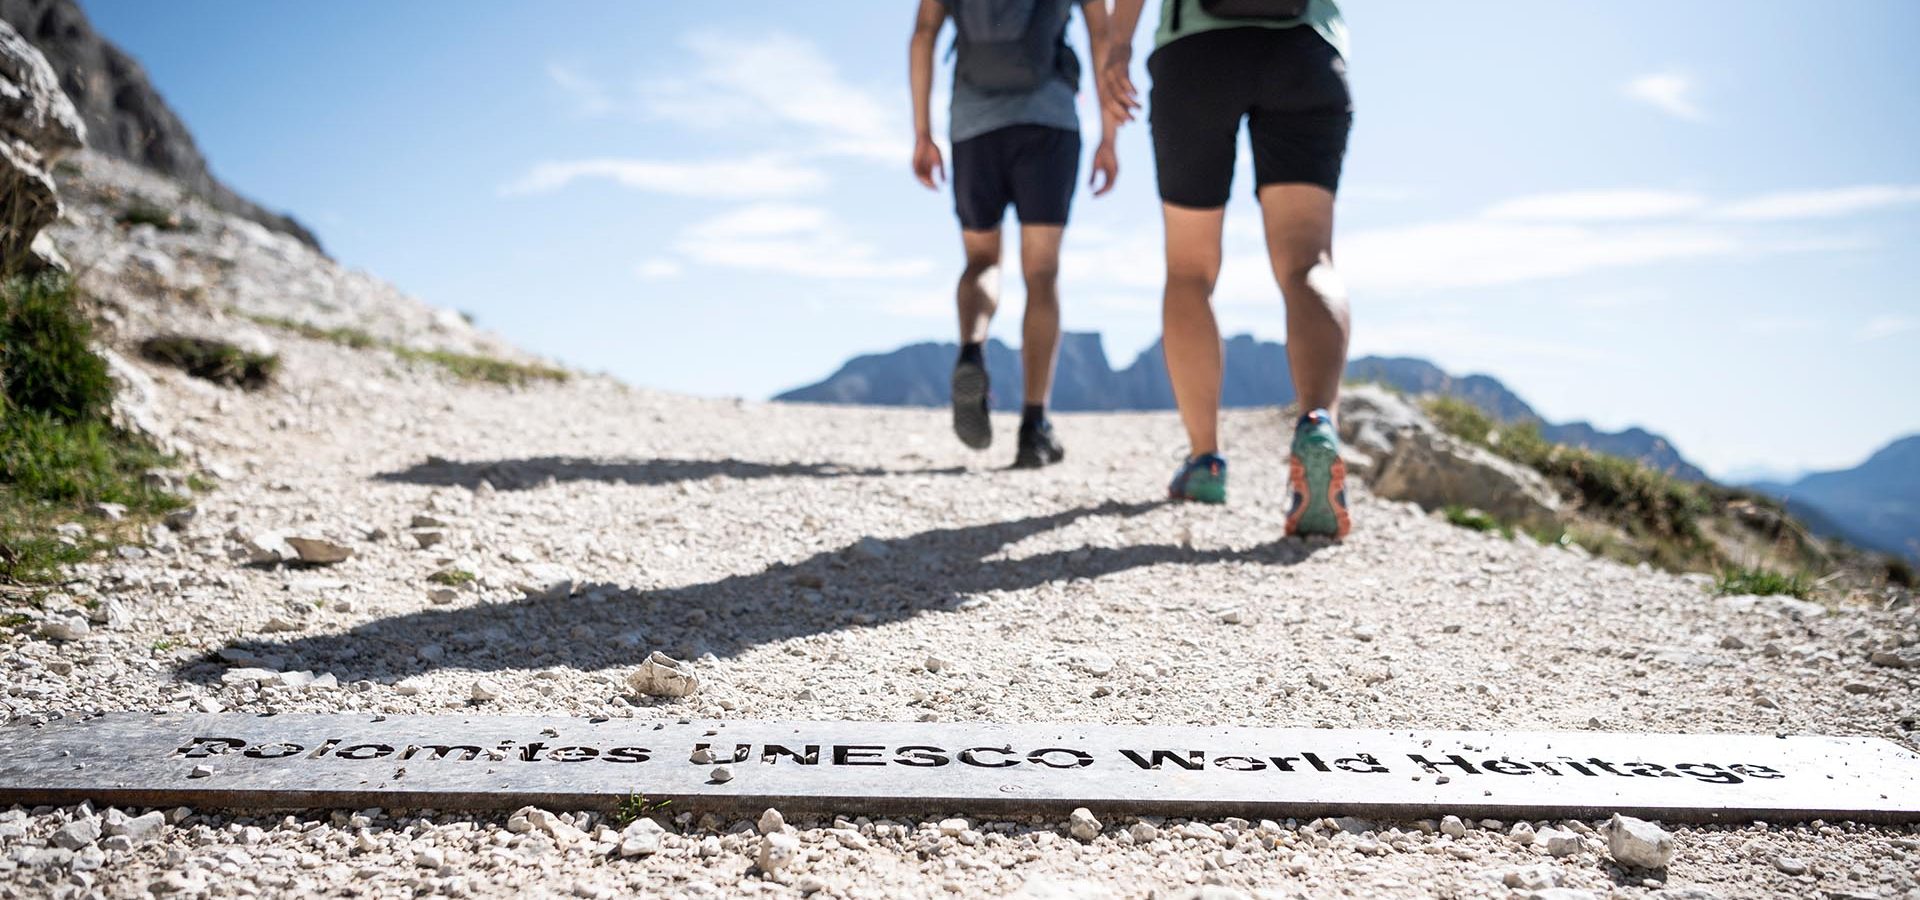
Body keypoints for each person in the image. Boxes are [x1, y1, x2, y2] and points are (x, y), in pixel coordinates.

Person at [1101, 0, 1353, 538]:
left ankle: (1205, 461)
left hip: (1196, 51)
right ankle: (1317, 424)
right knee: (1308, 260)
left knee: (1190, 268)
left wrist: (1117, 43)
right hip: (1306, 47)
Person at [909, 0, 1118, 468]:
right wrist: (1109, 136)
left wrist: (922, 132)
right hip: (1049, 122)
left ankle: (971, 351)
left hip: (973, 126)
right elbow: (1102, 37)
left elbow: (923, 35)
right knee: (1041, 272)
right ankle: (1034, 426)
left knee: (982, 259)